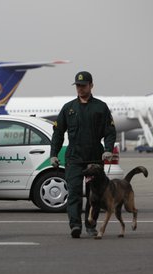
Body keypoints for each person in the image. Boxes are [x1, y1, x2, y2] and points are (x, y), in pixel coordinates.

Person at [50, 71, 116, 238]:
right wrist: (54, 154)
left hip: (94, 158)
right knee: (74, 193)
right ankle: (75, 225)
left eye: (83, 85)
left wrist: (108, 149)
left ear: (91, 85)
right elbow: (58, 133)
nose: (80, 88)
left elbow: (110, 131)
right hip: (74, 157)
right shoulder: (69, 108)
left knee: (94, 196)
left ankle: (91, 225)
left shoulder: (100, 107)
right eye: (78, 85)